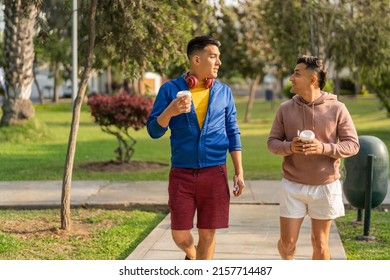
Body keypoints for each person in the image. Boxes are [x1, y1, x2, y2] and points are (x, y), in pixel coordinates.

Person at [146, 35, 245, 260]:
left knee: (208, 233)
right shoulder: (169, 90)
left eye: (219, 57)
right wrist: (170, 111)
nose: (219, 62)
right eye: (213, 57)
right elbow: (153, 130)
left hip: (215, 171)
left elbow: (233, 132)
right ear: (196, 59)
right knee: (179, 233)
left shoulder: (224, 92)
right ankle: (192, 256)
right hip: (182, 173)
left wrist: (238, 171)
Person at [267, 55, 359, 260]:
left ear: (312, 79)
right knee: (287, 244)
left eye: (296, 74)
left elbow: (353, 145)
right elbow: (272, 143)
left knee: (320, 243)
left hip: (325, 186)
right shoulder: (285, 109)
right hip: (292, 186)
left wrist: (323, 148)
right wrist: (290, 147)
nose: (291, 78)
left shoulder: (337, 108)